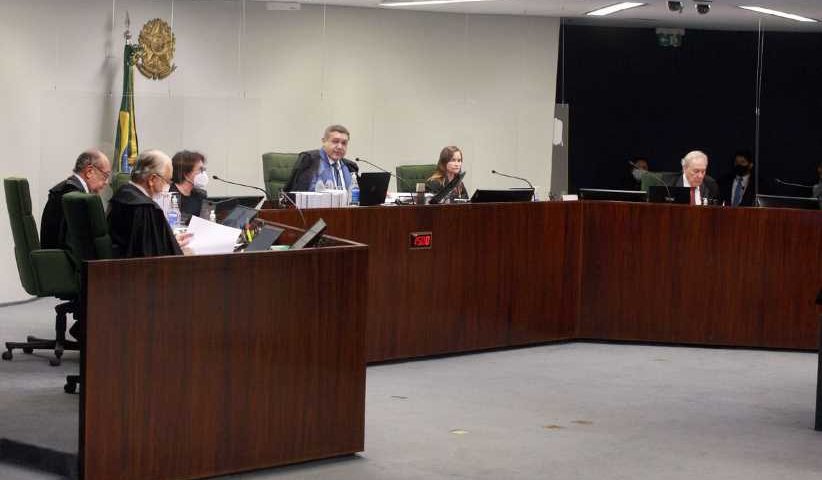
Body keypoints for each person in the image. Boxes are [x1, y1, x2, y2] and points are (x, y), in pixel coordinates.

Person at [108, 150, 191, 258]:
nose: (168, 186)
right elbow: (151, 254)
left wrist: (170, 241)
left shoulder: (121, 194)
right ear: (152, 179)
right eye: (167, 181)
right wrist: (173, 247)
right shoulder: (146, 208)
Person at [41, 149, 112, 249]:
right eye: (105, 175)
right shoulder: (78, 198)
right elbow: (80, 245)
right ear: (89, 171)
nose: (106, 182)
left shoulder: (63, 189)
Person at [284, 125, 358, 192]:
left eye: (344, 143)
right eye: (335, 141)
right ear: (324, 141)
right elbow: (296, 194)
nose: (340, 147)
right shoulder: (309, 160)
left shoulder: (350, 167)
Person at [170, 150, 208, 223]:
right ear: (185, 173)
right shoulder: (168, 194)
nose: (203, 174)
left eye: (204, 170)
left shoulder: (201, 195)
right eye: (200, 169)